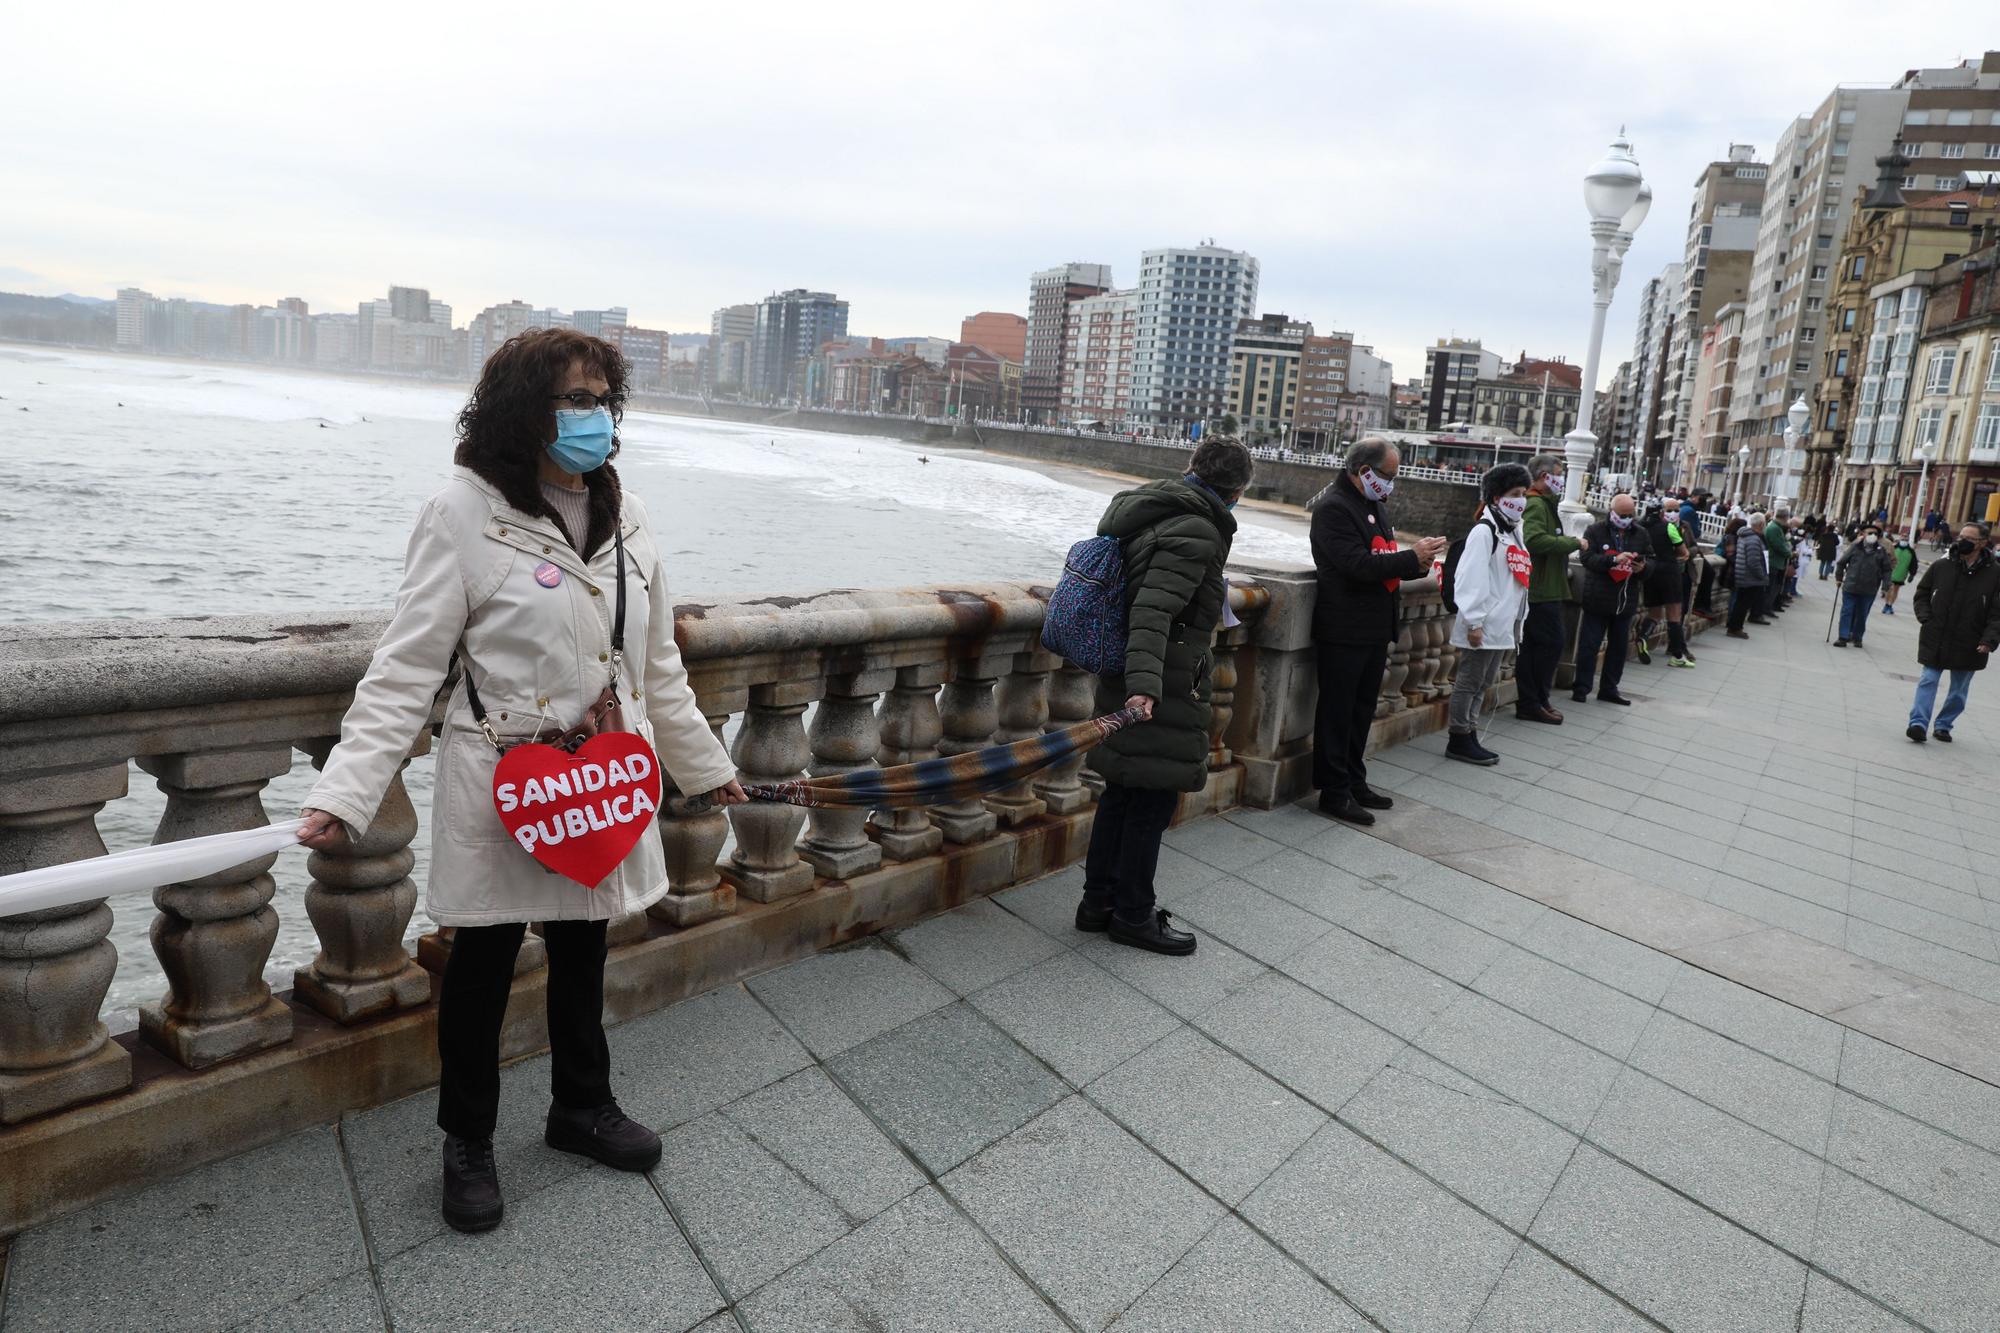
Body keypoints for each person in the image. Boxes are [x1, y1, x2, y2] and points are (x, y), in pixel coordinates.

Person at [295, 329, 747, 1234]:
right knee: (484, 964)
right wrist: (344, 792)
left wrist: (708, 770)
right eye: (569, 399)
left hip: (601, 774)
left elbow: (656, 668)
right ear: (519, 409)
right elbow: (404, 667)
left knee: (585, 946)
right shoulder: (463, 511)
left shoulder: (629, 515)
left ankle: (583, 1105)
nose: (589, 417)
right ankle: (468, 1140)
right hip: (505, 775)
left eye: (599, 399)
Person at [1078, 437, 1252, 954]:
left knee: (1122, 793)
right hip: (1161, 685)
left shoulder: (1160, 510)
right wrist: (1144, 691)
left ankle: (1097, 904)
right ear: (1239, 488)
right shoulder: (1197, 529)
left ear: (1192, 469)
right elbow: (1152, 613)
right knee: (1150, 801)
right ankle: (1133, 915)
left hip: (1135, 673)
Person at [1309, 437, 1445, 824]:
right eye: (1387, 475)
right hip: (1344, 625)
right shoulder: (1332, 509)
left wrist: (1418, 562)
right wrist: (1409, 556)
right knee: (1337, 712)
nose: (1391, 483)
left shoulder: (1373, 506)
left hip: (1373, 626)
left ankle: (1354, 780)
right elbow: (1356, 565)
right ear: (1363, 471)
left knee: (1361, 710)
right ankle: (1333, 792)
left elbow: (1384, 558)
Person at [1446, 464, 1533, 764]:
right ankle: (1458, 737)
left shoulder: (1513, 531)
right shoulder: (1484, 532)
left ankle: (1470, 731)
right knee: (1468, 681)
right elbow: (1471, 579)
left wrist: (1518, 619)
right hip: (1482, 623)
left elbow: (1517, 580)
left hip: (1502, 625)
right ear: (1497, 497)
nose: (1521, 500)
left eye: (1524, 494)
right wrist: (1474, 620)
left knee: (1483, 683)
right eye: (1515, 494)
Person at [1906, 523, 2000, 743]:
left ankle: (1944, 724)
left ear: (1983, 543)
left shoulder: (1995, 574)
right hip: (1937, 634)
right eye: (1961, 537)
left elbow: (1998, 612)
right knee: (1928, 679)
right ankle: (1918, 723)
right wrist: (1925, 617)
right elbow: (1922, 593)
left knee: (1958, 690)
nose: (1962, 542)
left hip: (1971, 640)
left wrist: (1990, 639)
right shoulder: (1942, 565)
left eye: (1969, 538)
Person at [1514, 453, 1583, 725]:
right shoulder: (1535, 505)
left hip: (1547, 587)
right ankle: (1532, 701)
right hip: (1540, 590)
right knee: (1548, 644)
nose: (1561, 480)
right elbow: (1533, 540)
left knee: (1537, 646)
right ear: (1545, 477)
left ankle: (1536, 700)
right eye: (1558, 475)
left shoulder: (1544, 504)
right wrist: (1572, 543)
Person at [1571, 493, 1653, 705]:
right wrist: (1613, 560)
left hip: (1626, 600)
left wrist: (1642, 568)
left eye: (1630, 514)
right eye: (1622, 514)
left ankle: (1609, 688)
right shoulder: (1595, 530)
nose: (1626, 518)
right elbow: (1587, 559)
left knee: (1618, 648)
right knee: (1589, 646)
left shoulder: (1641, 533)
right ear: (1611, 511)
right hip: (1597, 597)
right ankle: (1581, 687)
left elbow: (1652, 562)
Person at [1635, 497, 1695, 668]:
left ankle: (1643, 637)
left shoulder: (1639, 528)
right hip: (1669, 573)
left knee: (1654, 613)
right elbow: (1683, 552)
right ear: (1661, 513)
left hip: (1649, 573)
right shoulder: (1668, 527)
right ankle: (1677, 656)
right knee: (1674, 615)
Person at [1833, 524, 1892, 648]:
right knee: (1847, 611)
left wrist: (1886, 585)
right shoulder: (1855, 547)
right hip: (1851, 586)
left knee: (1862, 614)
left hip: (1869, 589)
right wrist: (1839, 578)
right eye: (1870, 533)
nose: (1873, 536)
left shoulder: (1881, 551)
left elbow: (1887, 569)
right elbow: (1841, 562)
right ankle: (1843, 637)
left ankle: (1857, 637)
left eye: (1876, 534)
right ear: (1863, 534)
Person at [1726, 513, 1770, 638]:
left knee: (1741, 602)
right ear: (1761, 524)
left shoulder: (1746, 536)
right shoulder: (1754, 539)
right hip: (1749, 577)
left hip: (1743, 574)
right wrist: (1762, 575)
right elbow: (1753, 562)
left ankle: (1735, 627)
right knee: (1743, 604)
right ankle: (1735, 628)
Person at [1763, 510, 1794, 615]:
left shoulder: (1777, 528)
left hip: (1777, 562)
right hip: (1773, 561)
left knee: (1775, 586)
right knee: (1770, 587)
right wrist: (1789, 553)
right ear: (1784, 518)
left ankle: (1768, 607)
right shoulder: (1774, 528)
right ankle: (1765, 608)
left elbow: (1783, 543)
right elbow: (1779, 545)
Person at [1884, 534, 1920, 614]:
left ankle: (1890, 605)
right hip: (1891, 572)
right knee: (1890, 589)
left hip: (1902, 574)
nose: (1904, 538)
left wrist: (1912, 574)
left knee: (1896, 589)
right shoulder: (1894, 548)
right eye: (1903, 537)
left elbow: (1913, 563)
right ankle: (1886, 603)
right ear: (1900, 538)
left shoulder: (1911, 551)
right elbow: (1886, 558)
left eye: (1906, 537)